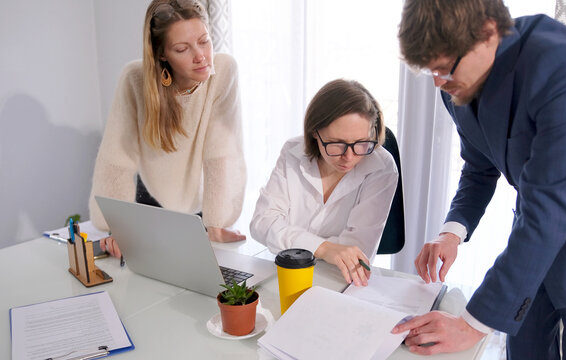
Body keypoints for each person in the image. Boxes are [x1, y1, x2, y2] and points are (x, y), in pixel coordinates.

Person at [391, 0, 566, 358]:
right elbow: (479, 166)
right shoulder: (458, 84)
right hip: (535, 232)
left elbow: (550, 208)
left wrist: (469, 325)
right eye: (430, 71)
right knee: (522, 346)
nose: (438, 83)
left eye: (444, 69)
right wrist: (451, 233)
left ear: (488, 33)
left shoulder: (565, 66)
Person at [89, 0, 247, 258]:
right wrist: (115, 226)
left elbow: (222, 152)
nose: (200, 56)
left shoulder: (224, 71)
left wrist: (216, 222)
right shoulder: (134, 79)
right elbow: (116, 158)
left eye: (204, 40)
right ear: (162, 53)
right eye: (182, 48)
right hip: (148, 200)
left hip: (199, 205)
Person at [250, 79, 399, 286]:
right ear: (314, 132)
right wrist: (325, 249)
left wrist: (289, 238)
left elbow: (355, 250)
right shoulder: (293, 151)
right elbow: (261, 223)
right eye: (337, 144)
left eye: (361, 143)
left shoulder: (380, 167)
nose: (349, 157)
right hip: (286, 276)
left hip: (338, 282)